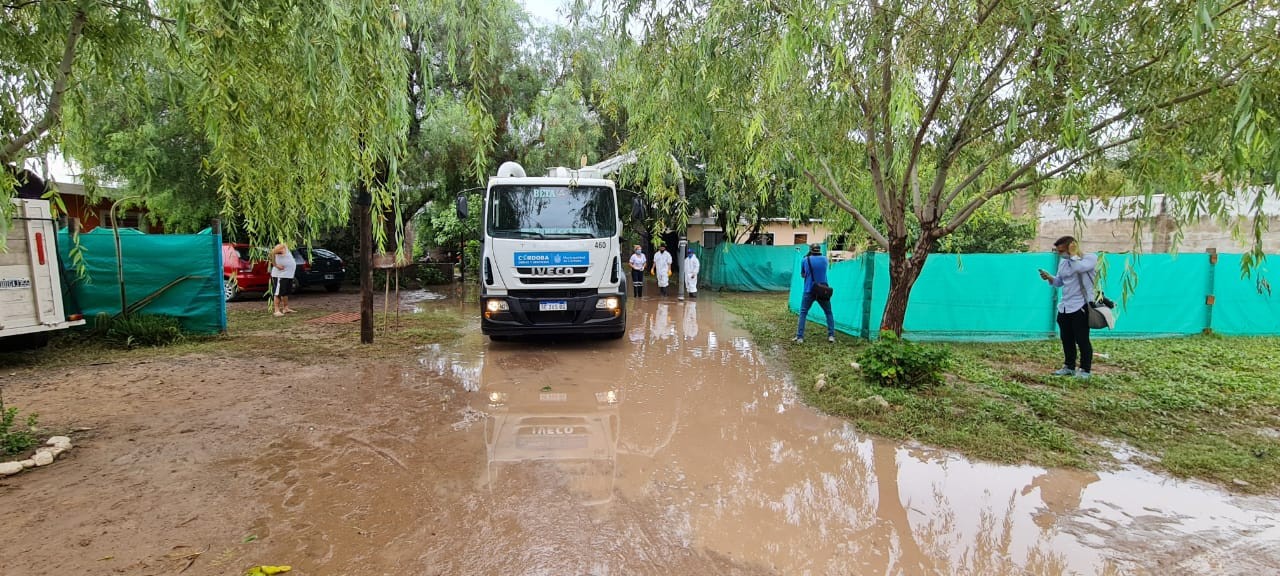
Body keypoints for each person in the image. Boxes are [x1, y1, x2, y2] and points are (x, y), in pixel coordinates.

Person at [1039, 235, 1098, 379]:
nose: (1060, 254)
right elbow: (1060, 282)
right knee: (1066, 338)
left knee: (1082, 339)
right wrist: (1050, 277)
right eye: (1059, 251)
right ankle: (1069, 366)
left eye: (1062, 251)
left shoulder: (1089, 259)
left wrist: (1073, 254)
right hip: (1065, 306)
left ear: (1072, 247)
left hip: (1081, 306)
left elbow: (1078, 268)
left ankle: (1085, 370)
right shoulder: (1064, 262)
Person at [794, 243, 835, 344]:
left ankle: (800, 337)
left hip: (809, 290)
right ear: (819, 250)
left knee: (803, 313)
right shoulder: (825, 259)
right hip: (823, 290)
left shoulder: (805, 260)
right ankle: (831, 336)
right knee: (828, 313)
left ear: (810, 250)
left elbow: (803, 275)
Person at [270, 243, 297, 317]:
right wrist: (275, 265)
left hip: (288, 275)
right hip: (280, 275)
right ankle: (276, 310)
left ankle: (286, 308)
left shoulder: (286, 247)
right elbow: (271, 253)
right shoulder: (281, 246)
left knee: (285, 292)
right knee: (278, 292)